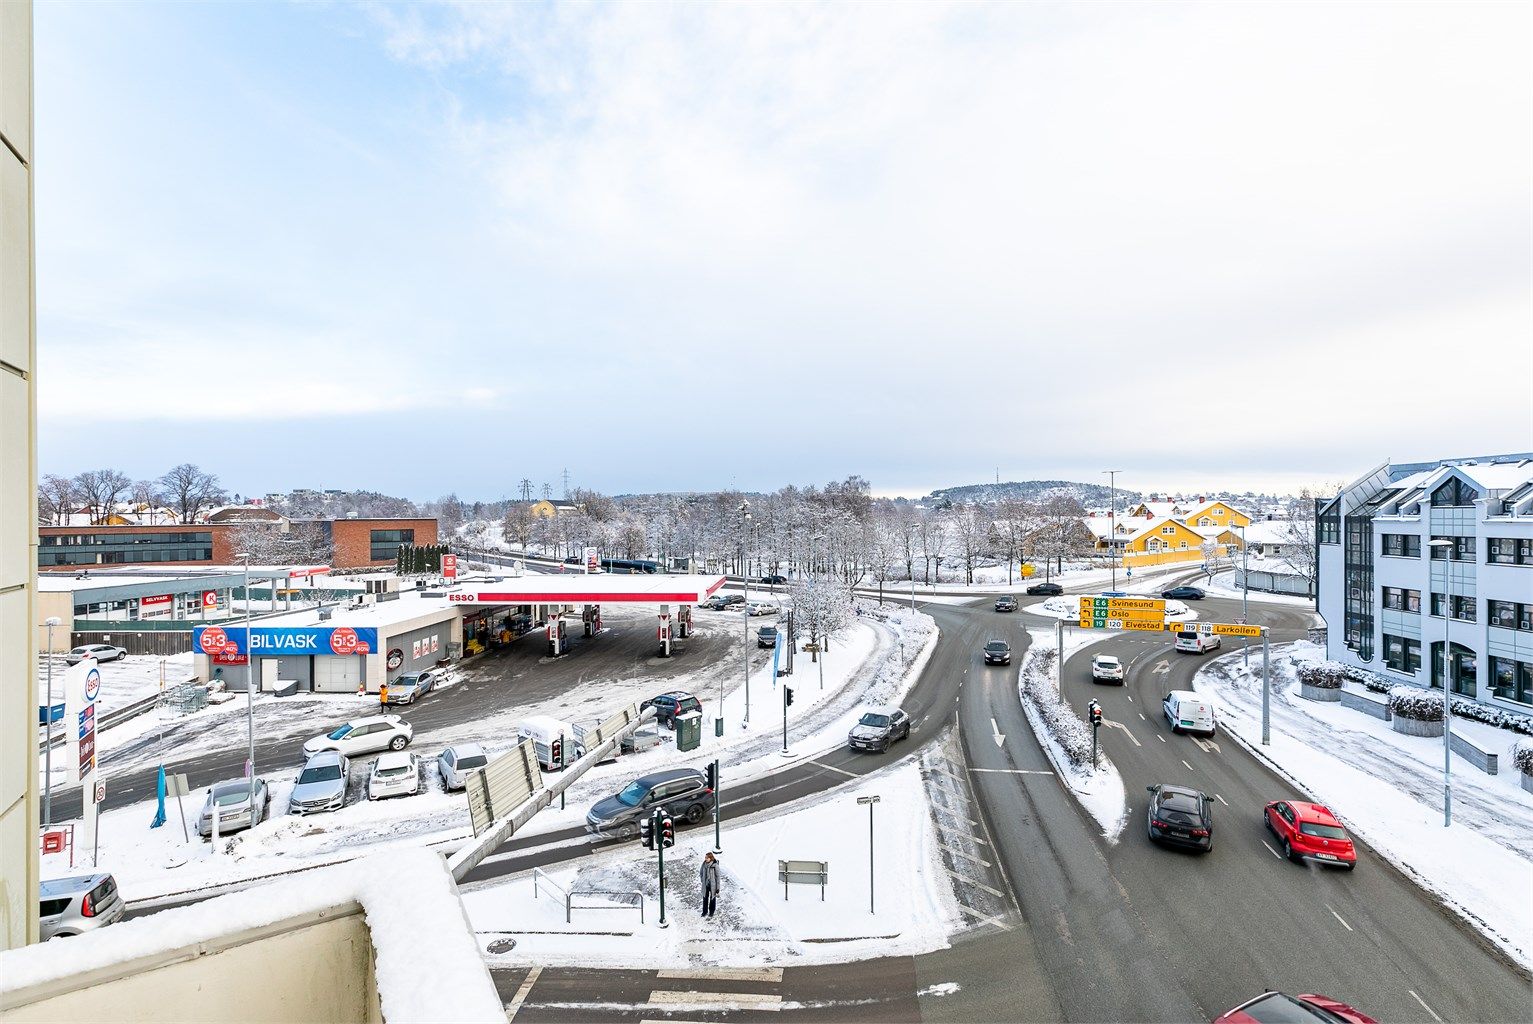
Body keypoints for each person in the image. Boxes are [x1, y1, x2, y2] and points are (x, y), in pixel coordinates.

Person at [699, 852, 720, 919]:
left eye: (706, 858)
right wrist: (702, 880)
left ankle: (711, 912)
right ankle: (704, 912)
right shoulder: (704, 864)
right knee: (705, 898)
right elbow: (701, 872)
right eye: (705, 857)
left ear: (710, 858)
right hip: (705, 884)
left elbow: (718, 877)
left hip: (713, 885)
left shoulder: (715, 865)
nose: (705, 859)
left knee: (712, 898)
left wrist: (718, 888)